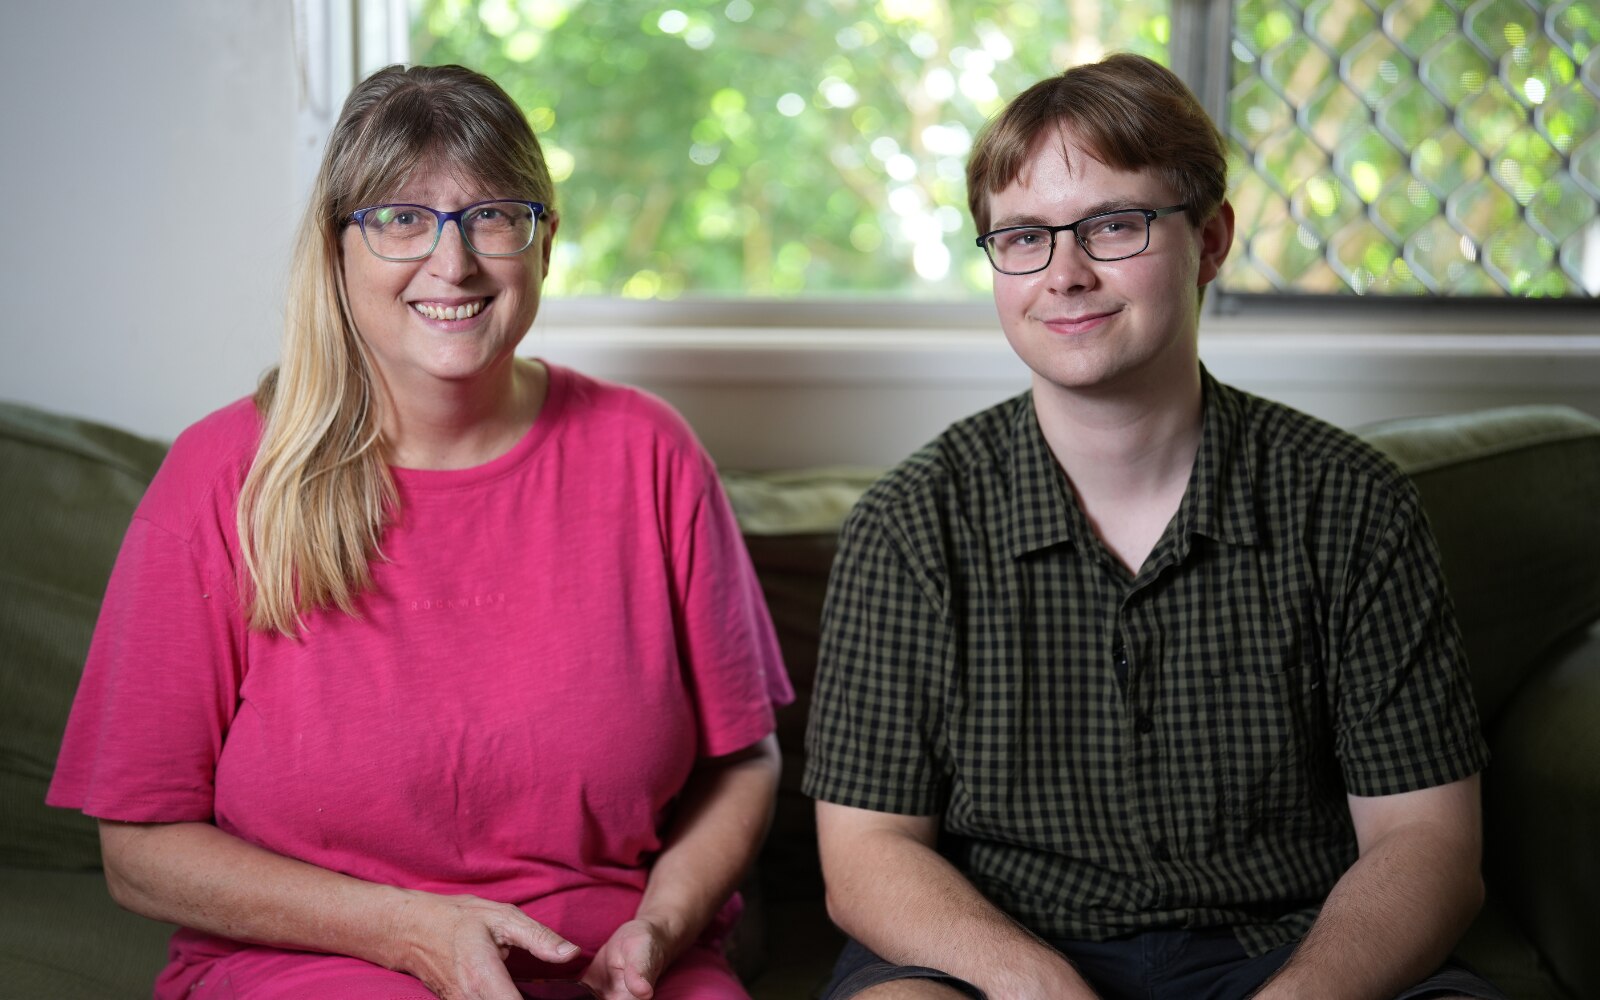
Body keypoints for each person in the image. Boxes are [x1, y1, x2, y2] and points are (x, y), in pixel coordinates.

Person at [48, 64, 792, 1000]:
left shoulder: (651, 452)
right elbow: (140, 853)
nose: (454, 263)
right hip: (324, 967)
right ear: (337, 249)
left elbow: (744, 756)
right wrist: (410, 933)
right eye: (401, 219)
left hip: (613, 969)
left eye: (492, 217)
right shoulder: (221, 477)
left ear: (544, 243)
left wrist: (660, 928)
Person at [802, 53, 1504, 1000]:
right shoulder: (910, 526)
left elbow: (1427, 842)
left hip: (1290, 948)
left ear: (1208, 241)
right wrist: (1040, 988)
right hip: (994, 958)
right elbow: (866, 853)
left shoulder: (1351, 504)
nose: (1067, 274)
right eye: (1022, 239)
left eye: (1114, 225)